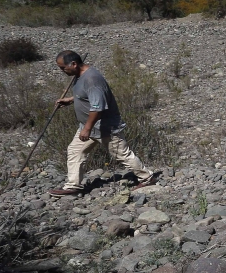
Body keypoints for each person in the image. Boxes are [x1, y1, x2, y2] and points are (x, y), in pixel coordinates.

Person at [48, 50, 160, 196]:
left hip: (104, 127)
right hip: (88, 127)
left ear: (74, 64)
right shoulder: (79, 76)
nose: (62, 71)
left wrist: (87, 129)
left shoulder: (92, 79)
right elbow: (86, 96)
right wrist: (70, 100)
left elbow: (98, 106)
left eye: (63, 68)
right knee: (75, 151)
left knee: (122, 155)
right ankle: (73, 186)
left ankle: (147, 178)